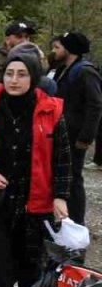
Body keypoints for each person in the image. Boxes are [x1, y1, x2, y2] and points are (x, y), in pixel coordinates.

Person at [0, 53, 70, 287]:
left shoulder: (51, 111)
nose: (14, 80)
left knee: (31, 270)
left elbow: (63, 159)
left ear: (33, 78)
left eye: (22, 75)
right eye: (9, 74)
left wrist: (60, 196)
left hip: (35, 203)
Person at [49, 31, 102, 225]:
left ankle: (76, 224)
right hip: (61, 133)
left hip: (74, 135)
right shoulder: (64, 69)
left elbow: (95, 105)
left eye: (58, 47)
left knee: (73, 179)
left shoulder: (85, 71)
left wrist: (86, 137)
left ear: (69, 49)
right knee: (61, 176)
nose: (54, 51)